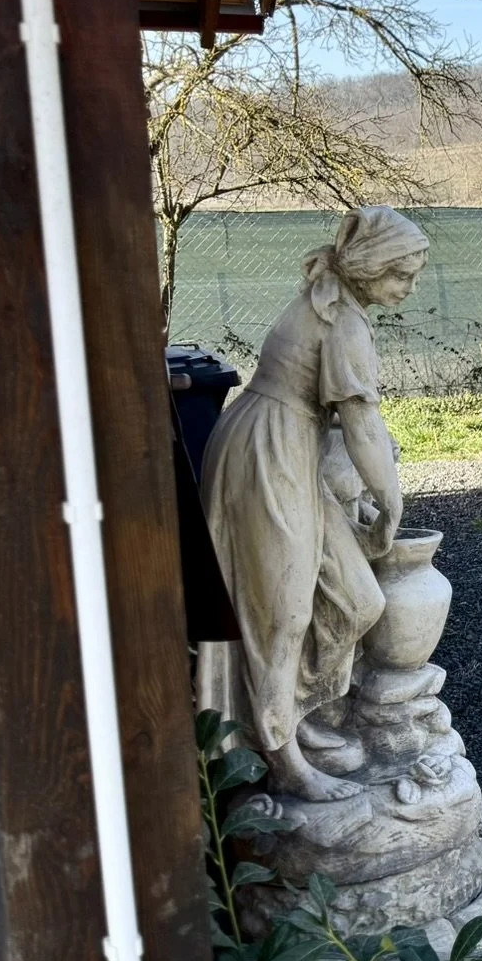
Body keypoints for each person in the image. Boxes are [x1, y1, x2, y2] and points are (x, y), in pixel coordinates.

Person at [197, 207, 429, 801]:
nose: (408, 288)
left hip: (288, 447)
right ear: (372, 268)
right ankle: (282, 756)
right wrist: (390, 496)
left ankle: (297, 714)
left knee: (356, 597)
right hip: (267, 454)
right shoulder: (341, 321)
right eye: (402, 275)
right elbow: (362, 424)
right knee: (283, 611)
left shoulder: (338, 306)